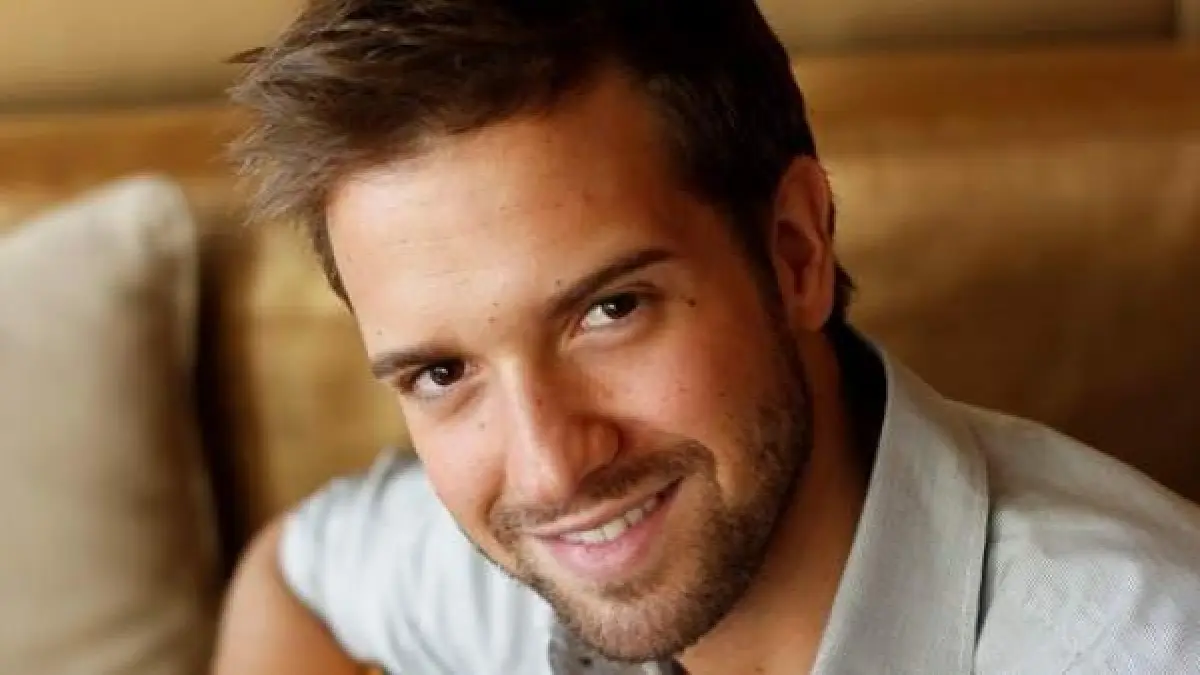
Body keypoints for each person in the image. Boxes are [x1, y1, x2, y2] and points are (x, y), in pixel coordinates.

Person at [212, 1, 1200, 673]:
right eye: (441, 371)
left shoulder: (1133, 644)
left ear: (794, 250)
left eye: (611, 310)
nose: (550, 470)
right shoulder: (506, 566)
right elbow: (293, 578)